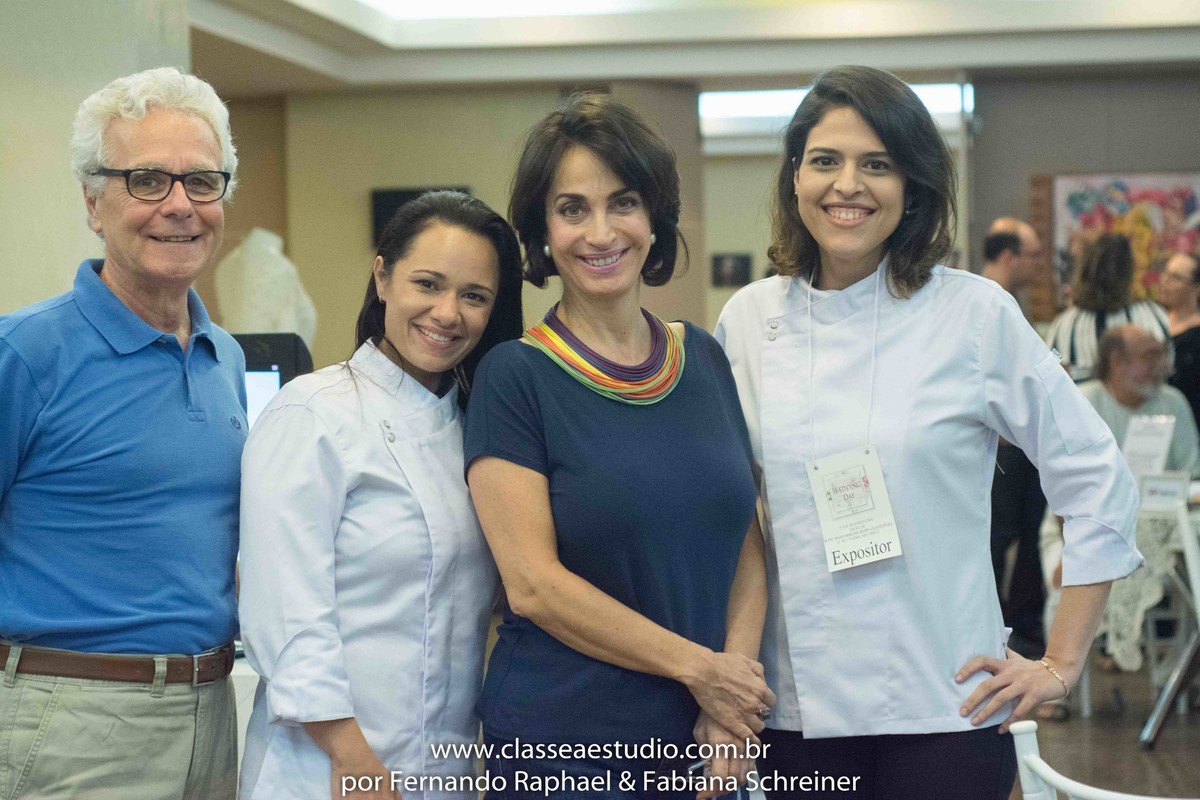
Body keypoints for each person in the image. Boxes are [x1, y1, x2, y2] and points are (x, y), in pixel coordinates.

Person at [715, 65, 1142, 800]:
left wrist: (1060, 663)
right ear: (795, 178)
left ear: (912, 185)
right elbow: (730, 517)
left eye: (877, 164)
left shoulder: (973, 315)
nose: (848, 185)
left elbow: (1097, 475)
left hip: (947, 706)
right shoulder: (749, 320)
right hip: (791, 710)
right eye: (825, 160)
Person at [464, 92, 773, 799]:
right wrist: (703, 671)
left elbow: (745, 541)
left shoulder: (704, 356)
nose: (600, 232)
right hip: (569, 743)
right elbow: (533, 586)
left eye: (623, 203)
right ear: (543, 231)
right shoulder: (515, 376)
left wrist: (732, 698)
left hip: (705, 733)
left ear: (654, 217)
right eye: (572, 209)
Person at [0, 67, 244, 799]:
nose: (180, 205)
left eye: (201, 181)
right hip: (71, 719)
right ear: (92, 203)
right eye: (147, 180)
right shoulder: (24, 354)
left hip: (213, 709)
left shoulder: (225, 358)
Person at [237, 191, 524, 800]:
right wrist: (353, 757)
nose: (447, 313)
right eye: (428, 284)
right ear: (382, 277)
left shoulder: (477, 431)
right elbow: (286, 614)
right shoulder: (313, 412)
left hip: (443, 768)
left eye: (474, 296)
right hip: (326, 770)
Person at [981, 218, 1049, 657]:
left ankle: (1014, 625)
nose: (1038, 265)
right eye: (1033, 256)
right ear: (1009, 256)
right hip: (999, 449)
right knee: (995, 537)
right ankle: (991, 627)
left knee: (1019, 536)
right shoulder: (987, 303)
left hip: (1014, 447)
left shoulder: (1005, 301)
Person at [1045, 232, 1170, 382]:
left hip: (1080, 395)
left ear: (1085, 272)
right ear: (1130, 271)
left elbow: (1053, 363)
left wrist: (1076, 370)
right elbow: (1168, 363)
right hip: (1143, 395)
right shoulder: (1154, 317)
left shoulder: (1064, 324)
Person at [1158, 251, 1200, 430]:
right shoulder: (1156, 320)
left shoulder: (1196, 334)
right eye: (1165, 273)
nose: (1165, 281)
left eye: (1175, 277)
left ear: (1196, 288)